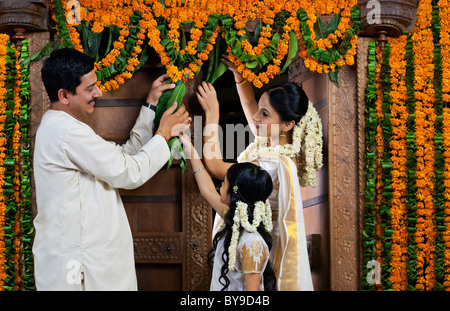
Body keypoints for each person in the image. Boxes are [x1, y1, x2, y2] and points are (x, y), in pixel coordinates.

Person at [32, 48, 191, 290]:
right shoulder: (66, 132)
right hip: (80, 266)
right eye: (90, 88)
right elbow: (129, 172)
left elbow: (122, 158)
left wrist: (150, 105)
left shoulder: (66, 128)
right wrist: (164, 133)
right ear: (64, 95)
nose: (99, 92)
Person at [195, 56, 322, 291]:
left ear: (288, 125)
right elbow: (252, 107)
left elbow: (213, 166)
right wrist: (239, 76)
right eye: (260, 110)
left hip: (258, 247)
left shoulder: (271, 163)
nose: (255, 119)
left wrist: (213, 114)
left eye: (265, 114)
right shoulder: (278, 146)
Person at [180, 134, 276, 291]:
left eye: (223, 182)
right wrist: (190, 149)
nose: (220, 187)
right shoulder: (235, 220)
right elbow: (207, 190)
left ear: (234, 191)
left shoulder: (252, 243)